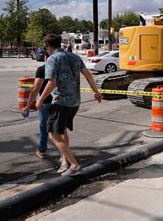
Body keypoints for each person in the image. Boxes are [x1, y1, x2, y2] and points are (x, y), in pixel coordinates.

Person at [36, 34, 102, 176]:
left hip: (61, 102)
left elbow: (51, 83)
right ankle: (65, 161)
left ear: (47, 46)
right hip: (75, 102)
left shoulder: (52, 59)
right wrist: (95, 92)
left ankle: (74, 164)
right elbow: (88, 75)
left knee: (54, 135)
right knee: (62, 131)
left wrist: (40, 100)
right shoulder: (75, 57)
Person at [20, 52, 52, 159]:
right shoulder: (60, 68)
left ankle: (42, 150)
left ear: (45, 57)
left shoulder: (42, 69)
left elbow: (35, 88)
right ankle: (64, 156)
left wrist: (28, 106)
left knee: (44, 127)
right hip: (59, 102)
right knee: (59, 129)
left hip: (45, 103)